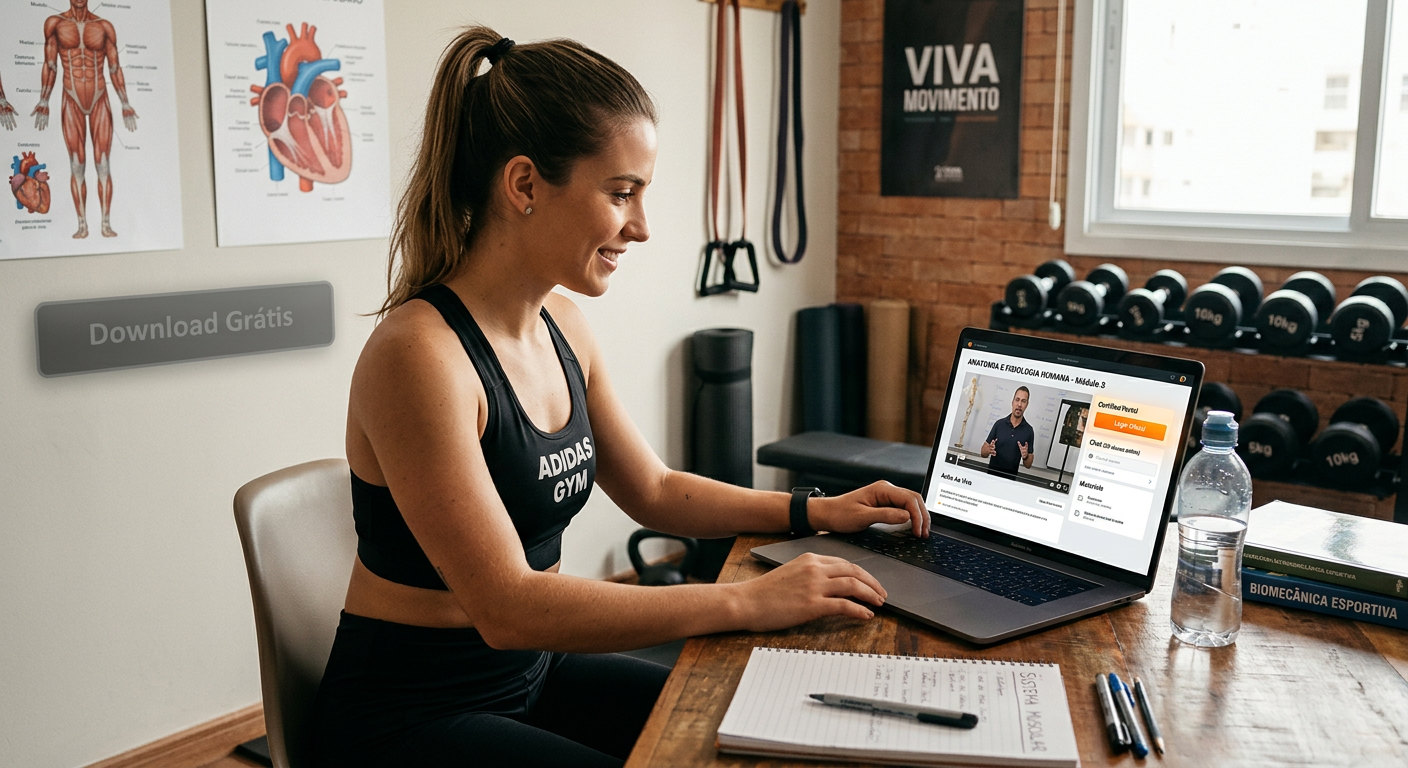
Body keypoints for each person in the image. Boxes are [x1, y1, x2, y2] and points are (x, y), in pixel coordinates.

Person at [310, 27, 929, 768]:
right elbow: (506, 607)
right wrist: (743, 602)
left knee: (756, 733)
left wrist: (812, 510)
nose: (640, 226)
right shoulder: (420, 356)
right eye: (621, 193)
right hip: (405, 716)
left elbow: (656, 490)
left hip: (535, 670)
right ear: (526, 186)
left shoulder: (563, 325)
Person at [33, 0, 139, 238]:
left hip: (100, 95)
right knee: (77, 164)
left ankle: (105, 223)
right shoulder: (55, 23)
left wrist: (125, 103)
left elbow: (114, 67)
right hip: (71, 97)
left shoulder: (104, 26)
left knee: (103, 164)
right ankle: (82, 225)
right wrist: (43, 100)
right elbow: (50, 65)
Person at [979, 386, 1036, 475]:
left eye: (1023, 401)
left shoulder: (1029, 431)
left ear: (1027, 404)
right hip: (991, 478)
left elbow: (1028, 465)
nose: (1019, 404)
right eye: (1017, 400)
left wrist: (1025, 457)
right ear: (1012, 402)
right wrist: (988, 449)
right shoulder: (999, 424)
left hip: (1010, 482)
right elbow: (983, 453)